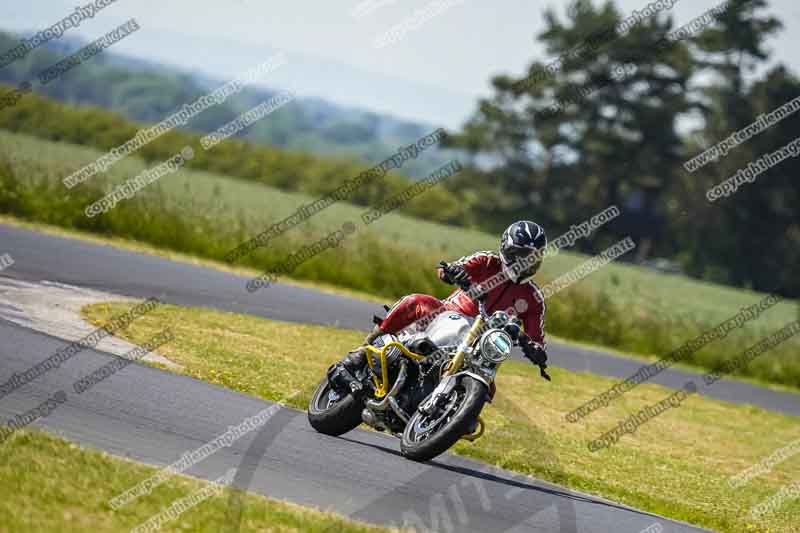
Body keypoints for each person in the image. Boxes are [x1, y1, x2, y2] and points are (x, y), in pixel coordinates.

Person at [344, 220, 550, 374]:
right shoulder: (487, 261)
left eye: (532, 258)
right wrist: (452, 272)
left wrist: (537, 352)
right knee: (416, 301)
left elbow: (536, 339)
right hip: (445, 315)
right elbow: (446, 268)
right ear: (506, 248)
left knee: (489, 386)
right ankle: (365, 348)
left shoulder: (534, 298)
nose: (525, 263)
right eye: (521, 255)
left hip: (478, 345)